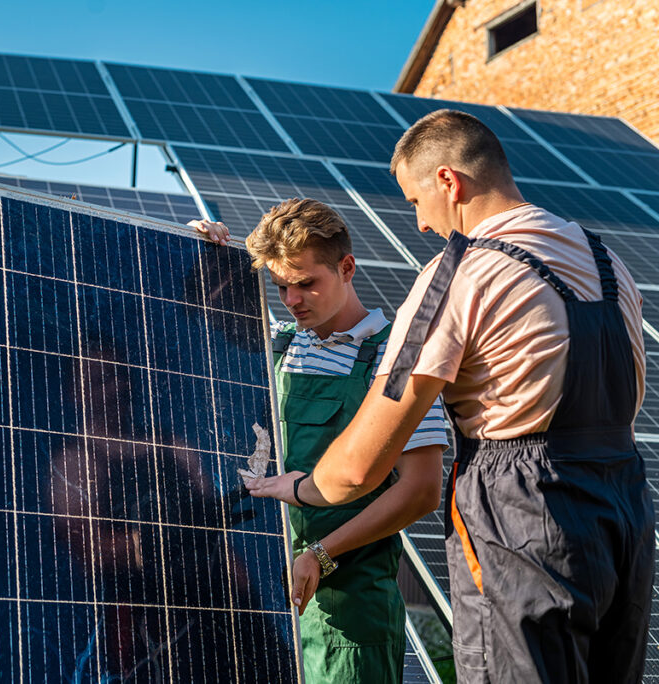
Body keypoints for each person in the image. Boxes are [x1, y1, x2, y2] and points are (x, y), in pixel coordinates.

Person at [246, 110, 655, 683]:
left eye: (415, 201)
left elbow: (361, 467)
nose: (418, 224)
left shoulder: (462, 271)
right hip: (625, 511)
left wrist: (302, 487)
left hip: (524, 512)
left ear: (448, 182)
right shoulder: (605, 260)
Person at [192, 199, 448, 684]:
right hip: (261, 606)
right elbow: (186, 308)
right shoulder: (277, 345)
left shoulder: (394, 361)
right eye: (281, 286)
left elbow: (420, 490)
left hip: (348, 615)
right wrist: (192, 244)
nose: (292, 299)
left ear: (346, 267)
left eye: (307, 283)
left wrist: (322, 554)